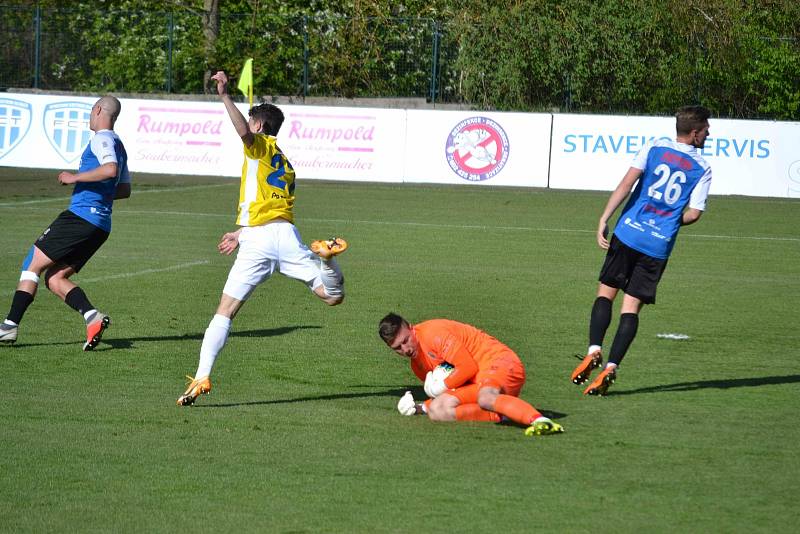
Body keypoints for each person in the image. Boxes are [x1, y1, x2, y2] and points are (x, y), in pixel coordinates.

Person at [177, 70, 348, 406]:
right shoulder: (283, 161)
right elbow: (269, 204)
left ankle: (202, 375)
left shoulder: (259, 146)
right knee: (332, 296)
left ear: (259, 125)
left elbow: (242, 132)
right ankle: (328, 259)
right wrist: (242, 232)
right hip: (282, 234)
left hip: (260, 242)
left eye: (252, 121)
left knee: (224, 312)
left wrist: (225, 95)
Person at [571, 105, 713, 396]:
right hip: (657, 245)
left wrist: (604, 218)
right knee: (631, 308)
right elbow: (695, 213)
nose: (709, 133)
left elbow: (627, 183)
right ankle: (611, 366)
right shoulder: (703, 167)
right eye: (707, 129)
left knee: (605, 293)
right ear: (695, 133)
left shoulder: (655, 146)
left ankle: (594, 349)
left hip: (628, 232)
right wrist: (670, 222)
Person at [0, 96, 130, 350]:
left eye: (92, 110)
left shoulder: (102, 139)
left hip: (81, 217)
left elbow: (110, 170)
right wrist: (95, 192)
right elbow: (124, 189)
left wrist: (75, 178)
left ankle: (8, 326)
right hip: (100, 225)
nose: (90, 115)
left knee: (31, 264)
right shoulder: (119, 145)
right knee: (55, 278)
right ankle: (93, 317)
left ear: (99, 110)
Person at [378, 313, 564, 436]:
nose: (405, 349)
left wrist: (440, 387)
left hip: (500, 362)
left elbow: (467, 368)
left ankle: (541, 421)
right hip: (479, 382)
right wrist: (419, 407)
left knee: (485, 398)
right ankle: (505, 414)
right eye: (397, 348)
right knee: (438, 410)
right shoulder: (417, 366)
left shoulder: (433, 333)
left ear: (411, 327)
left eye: (406, 340)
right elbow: (457, 388)